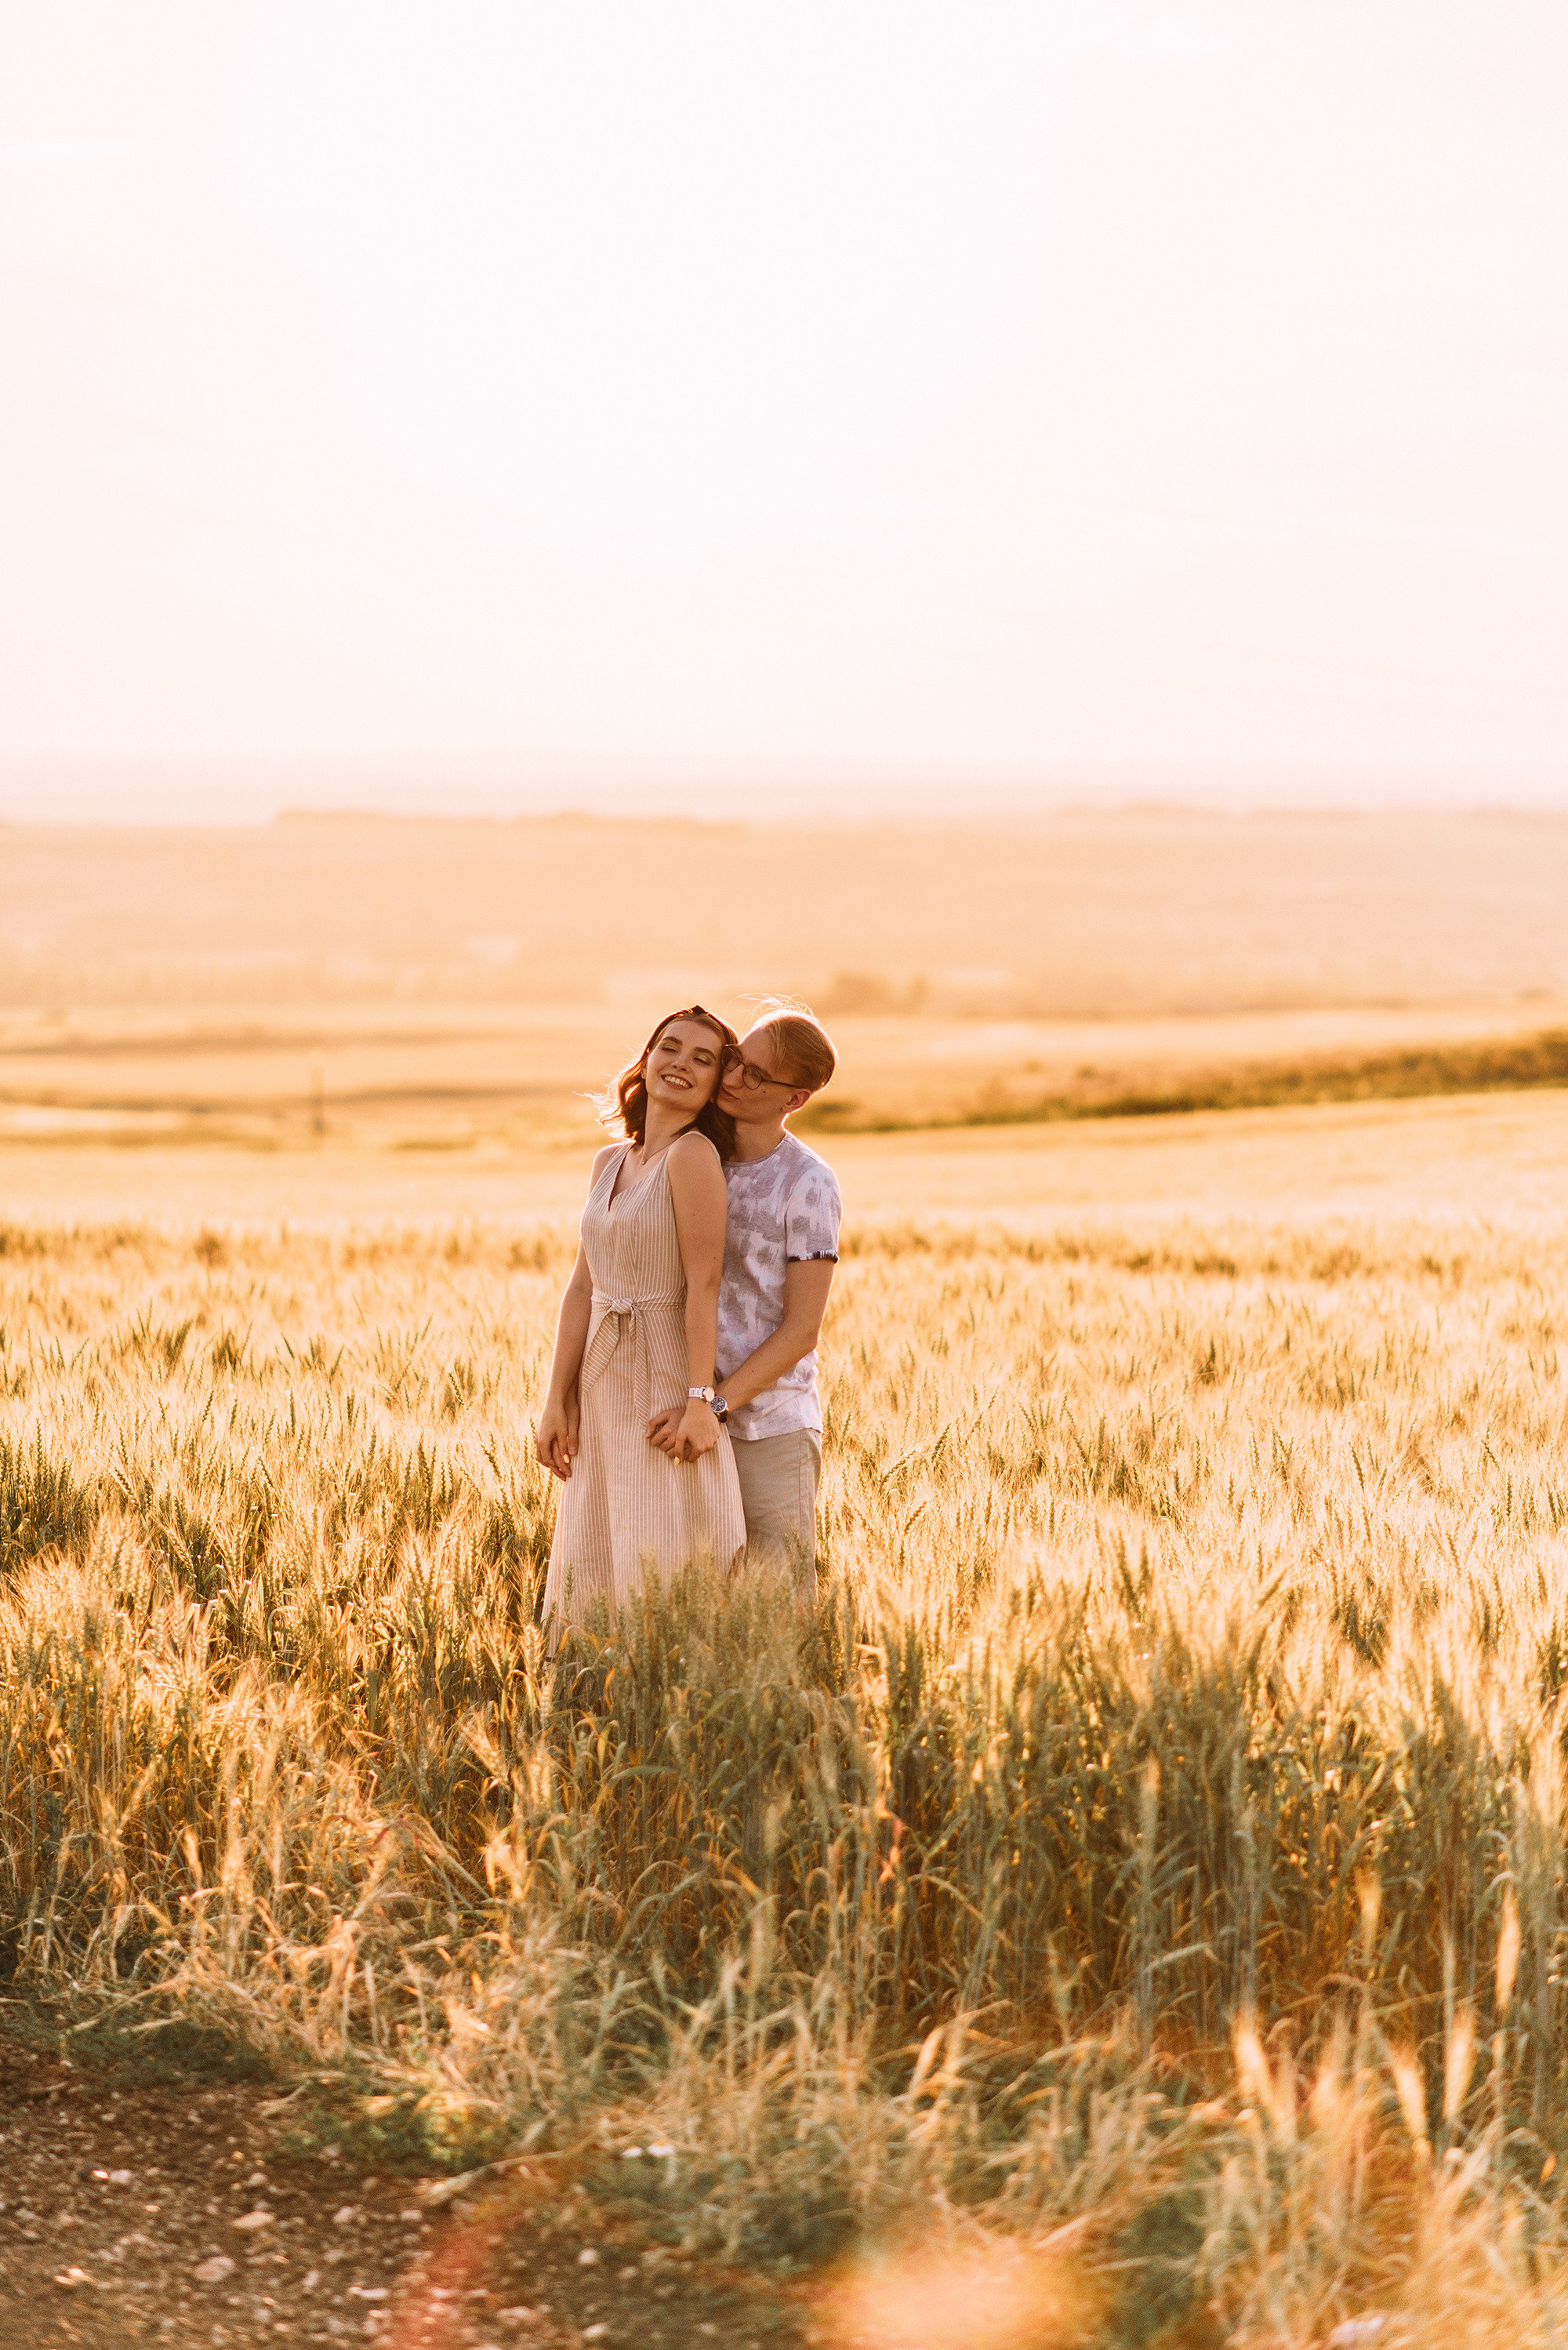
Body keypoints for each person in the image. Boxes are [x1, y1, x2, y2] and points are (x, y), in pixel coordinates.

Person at [535, 1005, 746, 1626]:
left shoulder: (693, 1155)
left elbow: (704, 1286)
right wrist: (557, 1397)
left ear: (714, 1085)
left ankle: (662, 1685)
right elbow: (582, 1288)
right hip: (602, 1379)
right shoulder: (609, 1162)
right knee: (601, 1535)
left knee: (663, 1536)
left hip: (662, 1372)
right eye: (670, 1048)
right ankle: (594, 1687)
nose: (681, 1063)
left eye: (702, 1059)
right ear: (646, 1059)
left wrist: (701, 1401)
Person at [648, 1005, 840, 1597]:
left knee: (773, 1606)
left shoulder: (807, 1182)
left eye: (755, 1075)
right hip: (677, 1412)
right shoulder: (694, 1154)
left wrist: (714, 1405)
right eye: (735, 1061)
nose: (732, 1078)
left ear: (796, 1098)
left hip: (767, 1427)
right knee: (687, 1597)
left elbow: (801, 1329)